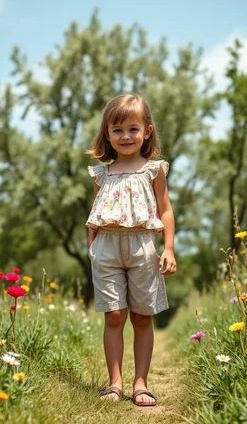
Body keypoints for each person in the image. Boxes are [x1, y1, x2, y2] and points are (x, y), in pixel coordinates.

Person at [86, 93, 176, 406]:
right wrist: (92, 248)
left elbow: (165, 211)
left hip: (143, 246)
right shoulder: (102, 173)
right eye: (118, 130)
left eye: (133, 129)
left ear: (147, 131)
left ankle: (141, 383)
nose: (126, 136)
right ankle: (114, 383)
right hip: (107, 247)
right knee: (113, 315)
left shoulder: (153, 170)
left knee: (140, 316)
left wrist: (168, 249)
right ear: (107, 134)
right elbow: (95, 215)